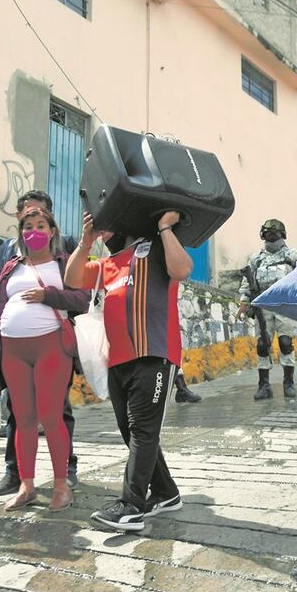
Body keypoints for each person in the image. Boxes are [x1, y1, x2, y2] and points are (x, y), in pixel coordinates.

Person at [65, 210, 191, 532]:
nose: (104, 232)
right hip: (118, 361)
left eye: (108, 226)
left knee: (143, 430)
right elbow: (71, 278)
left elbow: (184, 269)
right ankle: (165, 492)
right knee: (130, 430)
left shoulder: (155, 249)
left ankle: (131, 505)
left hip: (155, 354)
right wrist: (86, 241)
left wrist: (164, 227)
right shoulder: (108, 265)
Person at [0, 208, 86, 512]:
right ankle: (26, 486)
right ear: (21, 232)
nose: (34, 231)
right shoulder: (12, 265)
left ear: (52, 231)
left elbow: (81, 298)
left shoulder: (63, 263)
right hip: (12, 350)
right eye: (28, 226)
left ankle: (61, 486)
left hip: (50, 347)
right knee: (23, 419)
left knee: (52, 418)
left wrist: (48, 296)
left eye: (41, 225)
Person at [237, 219, 297, 399]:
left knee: (285, 343)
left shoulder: (293, 255)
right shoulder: (256, 258)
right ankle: (264, 386)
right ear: (263, 235)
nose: (272, 236)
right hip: (262, 305)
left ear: (283, 234)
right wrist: (244, 304)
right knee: (262, 345)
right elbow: (246, 283)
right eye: (268, 233)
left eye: (275, 233)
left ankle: (288, 383)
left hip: (285, 305)